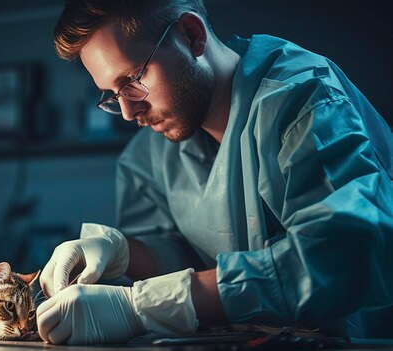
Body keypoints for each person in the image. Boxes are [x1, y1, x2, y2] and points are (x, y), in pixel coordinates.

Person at [36, 0, 393, 345]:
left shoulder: (302, 100)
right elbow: (187, 261)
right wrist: (122, 251)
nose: (129, 113)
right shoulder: (149, 154)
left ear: (192, 35)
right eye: (112, 95)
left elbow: (340, 257)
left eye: (132, 79)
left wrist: (143, 306)